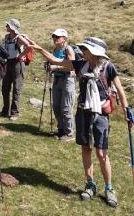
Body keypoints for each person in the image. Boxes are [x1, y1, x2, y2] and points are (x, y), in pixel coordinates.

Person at [33, 36, 132, 207]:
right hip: (82, 112)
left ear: (94, 51)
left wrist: (127, 112)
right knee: (86, 148)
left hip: (100, 114)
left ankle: (109, 188)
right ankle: (90, 184)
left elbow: (121, 91)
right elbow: (55, 59)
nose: (82, 51)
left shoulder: (108, 67)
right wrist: (38, 48)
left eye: (85, 49)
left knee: (101, 153)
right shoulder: (80, 64)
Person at [48, 28, 76, 141]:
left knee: (65, 107)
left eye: (57, 37)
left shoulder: (68, 49)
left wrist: (55, 67)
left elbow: (72, 66)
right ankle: (61, 129)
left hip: (67, 79)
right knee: (56, 107)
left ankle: (69, 133)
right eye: (53, 37)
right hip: (57, 79)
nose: (55, 39)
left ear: (64, 39)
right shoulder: (55, 50)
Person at [1, 19, 31, 120]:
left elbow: (29, 47)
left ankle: (14, 113)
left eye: (8, 25)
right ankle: (5, 111)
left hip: (18, 63)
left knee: (16, 89)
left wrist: (21, 55)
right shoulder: (6, 37)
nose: (6, 26)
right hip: (7, 63)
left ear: (13, 27)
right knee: (5, 88)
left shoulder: (19, 38)